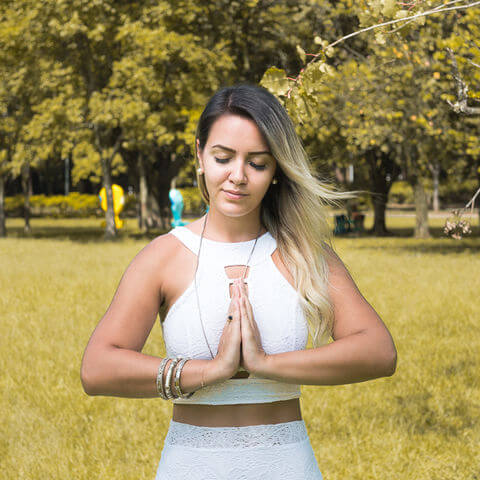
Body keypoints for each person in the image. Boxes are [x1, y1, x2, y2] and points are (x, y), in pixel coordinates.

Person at [80, 83, 397, 479]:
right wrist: (210, 371)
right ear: (200, 155)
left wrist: (265, 364)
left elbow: (379, 352)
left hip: (287, 468)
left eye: (257, 163)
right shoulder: (164, 257)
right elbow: (97, 368)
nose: (238, 176)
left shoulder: (303, 253)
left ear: (277, 169)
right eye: (223, 157)